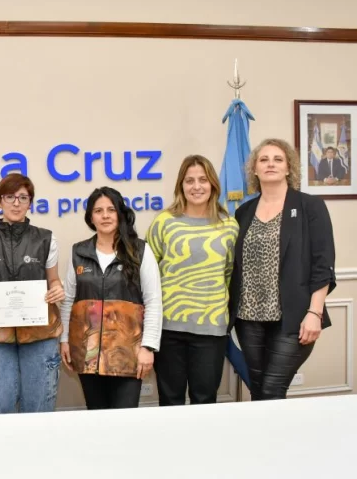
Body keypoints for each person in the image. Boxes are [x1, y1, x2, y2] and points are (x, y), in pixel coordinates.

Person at [229, 138, 336, 400]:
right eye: (263, 160)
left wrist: (315, 312)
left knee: (272, 389)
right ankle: (265, 441)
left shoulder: (310, 206)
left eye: (278, 159)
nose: (270, 164)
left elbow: (323, 263)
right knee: (257, 387)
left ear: (289, 168)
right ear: (254, 169)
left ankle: (275, 441)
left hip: (294, 317)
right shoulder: (244, 212)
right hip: (249, 318)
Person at [146, 155, 239, 406]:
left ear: (213, 186)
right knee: (170, 399)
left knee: (205, 399)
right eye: (189, 181)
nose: (196, 186)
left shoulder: (229, 225)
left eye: (202, 180)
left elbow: (228, 273)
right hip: (169, 329)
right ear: (181, 186)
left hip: (211, 328)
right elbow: (148, 274)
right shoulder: (164, 222)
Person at [60, 186, 162, 410]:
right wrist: (65, 339)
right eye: (98, 211)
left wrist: (148, 347)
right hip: (87, 353)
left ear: (120, 214)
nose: (105, 215)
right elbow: (69, 300)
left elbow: (153, 301)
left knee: (124, 419)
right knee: (96, 416)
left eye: (110, 209)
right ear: (91, 217)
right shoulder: (78, 252)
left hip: (128, 353)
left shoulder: (140, 251)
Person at [0, 174, 64, 414]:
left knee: (38, 407)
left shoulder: (46, 238)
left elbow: (53, 280)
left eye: (23, 197)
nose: (16, 203)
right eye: (10, 197)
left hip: (40, 333)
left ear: (30, 203)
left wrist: (56, 290)